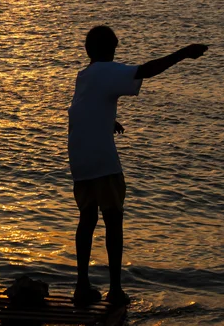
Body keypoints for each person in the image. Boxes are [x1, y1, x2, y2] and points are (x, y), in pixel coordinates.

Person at [68, 25, 208, 307]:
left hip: (79, 159)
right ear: (112, 48)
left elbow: (83, 109)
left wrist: (109, 121)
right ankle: (116, 290)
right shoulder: (107, 70)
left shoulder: (84, 76)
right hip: (101, 160)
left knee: (87, 219)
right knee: (113, 219)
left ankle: (82, 286)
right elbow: (145, 70)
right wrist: (183, 53)